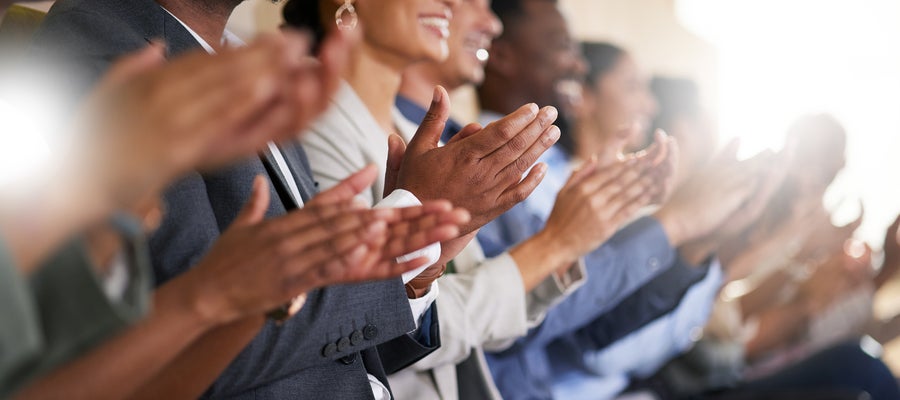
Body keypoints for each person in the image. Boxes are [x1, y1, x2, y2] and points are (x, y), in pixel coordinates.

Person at [27, 0, 469, 398]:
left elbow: (331, 354)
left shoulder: (247, 61)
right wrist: (404, 232)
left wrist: (412, 278)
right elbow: (192, 349)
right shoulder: (100, 47)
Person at [473, 2, 787, 398]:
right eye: (561, 46)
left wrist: (703, 243)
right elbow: (575, 333)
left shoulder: (569, 172)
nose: (578, 65)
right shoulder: (513, 165)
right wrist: (681, 229)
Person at [392, 1, 675, 398]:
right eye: (562, 46)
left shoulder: (480, 148)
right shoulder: (485, 156)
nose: (489, 23)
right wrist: (675, 227)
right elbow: (528, 326)